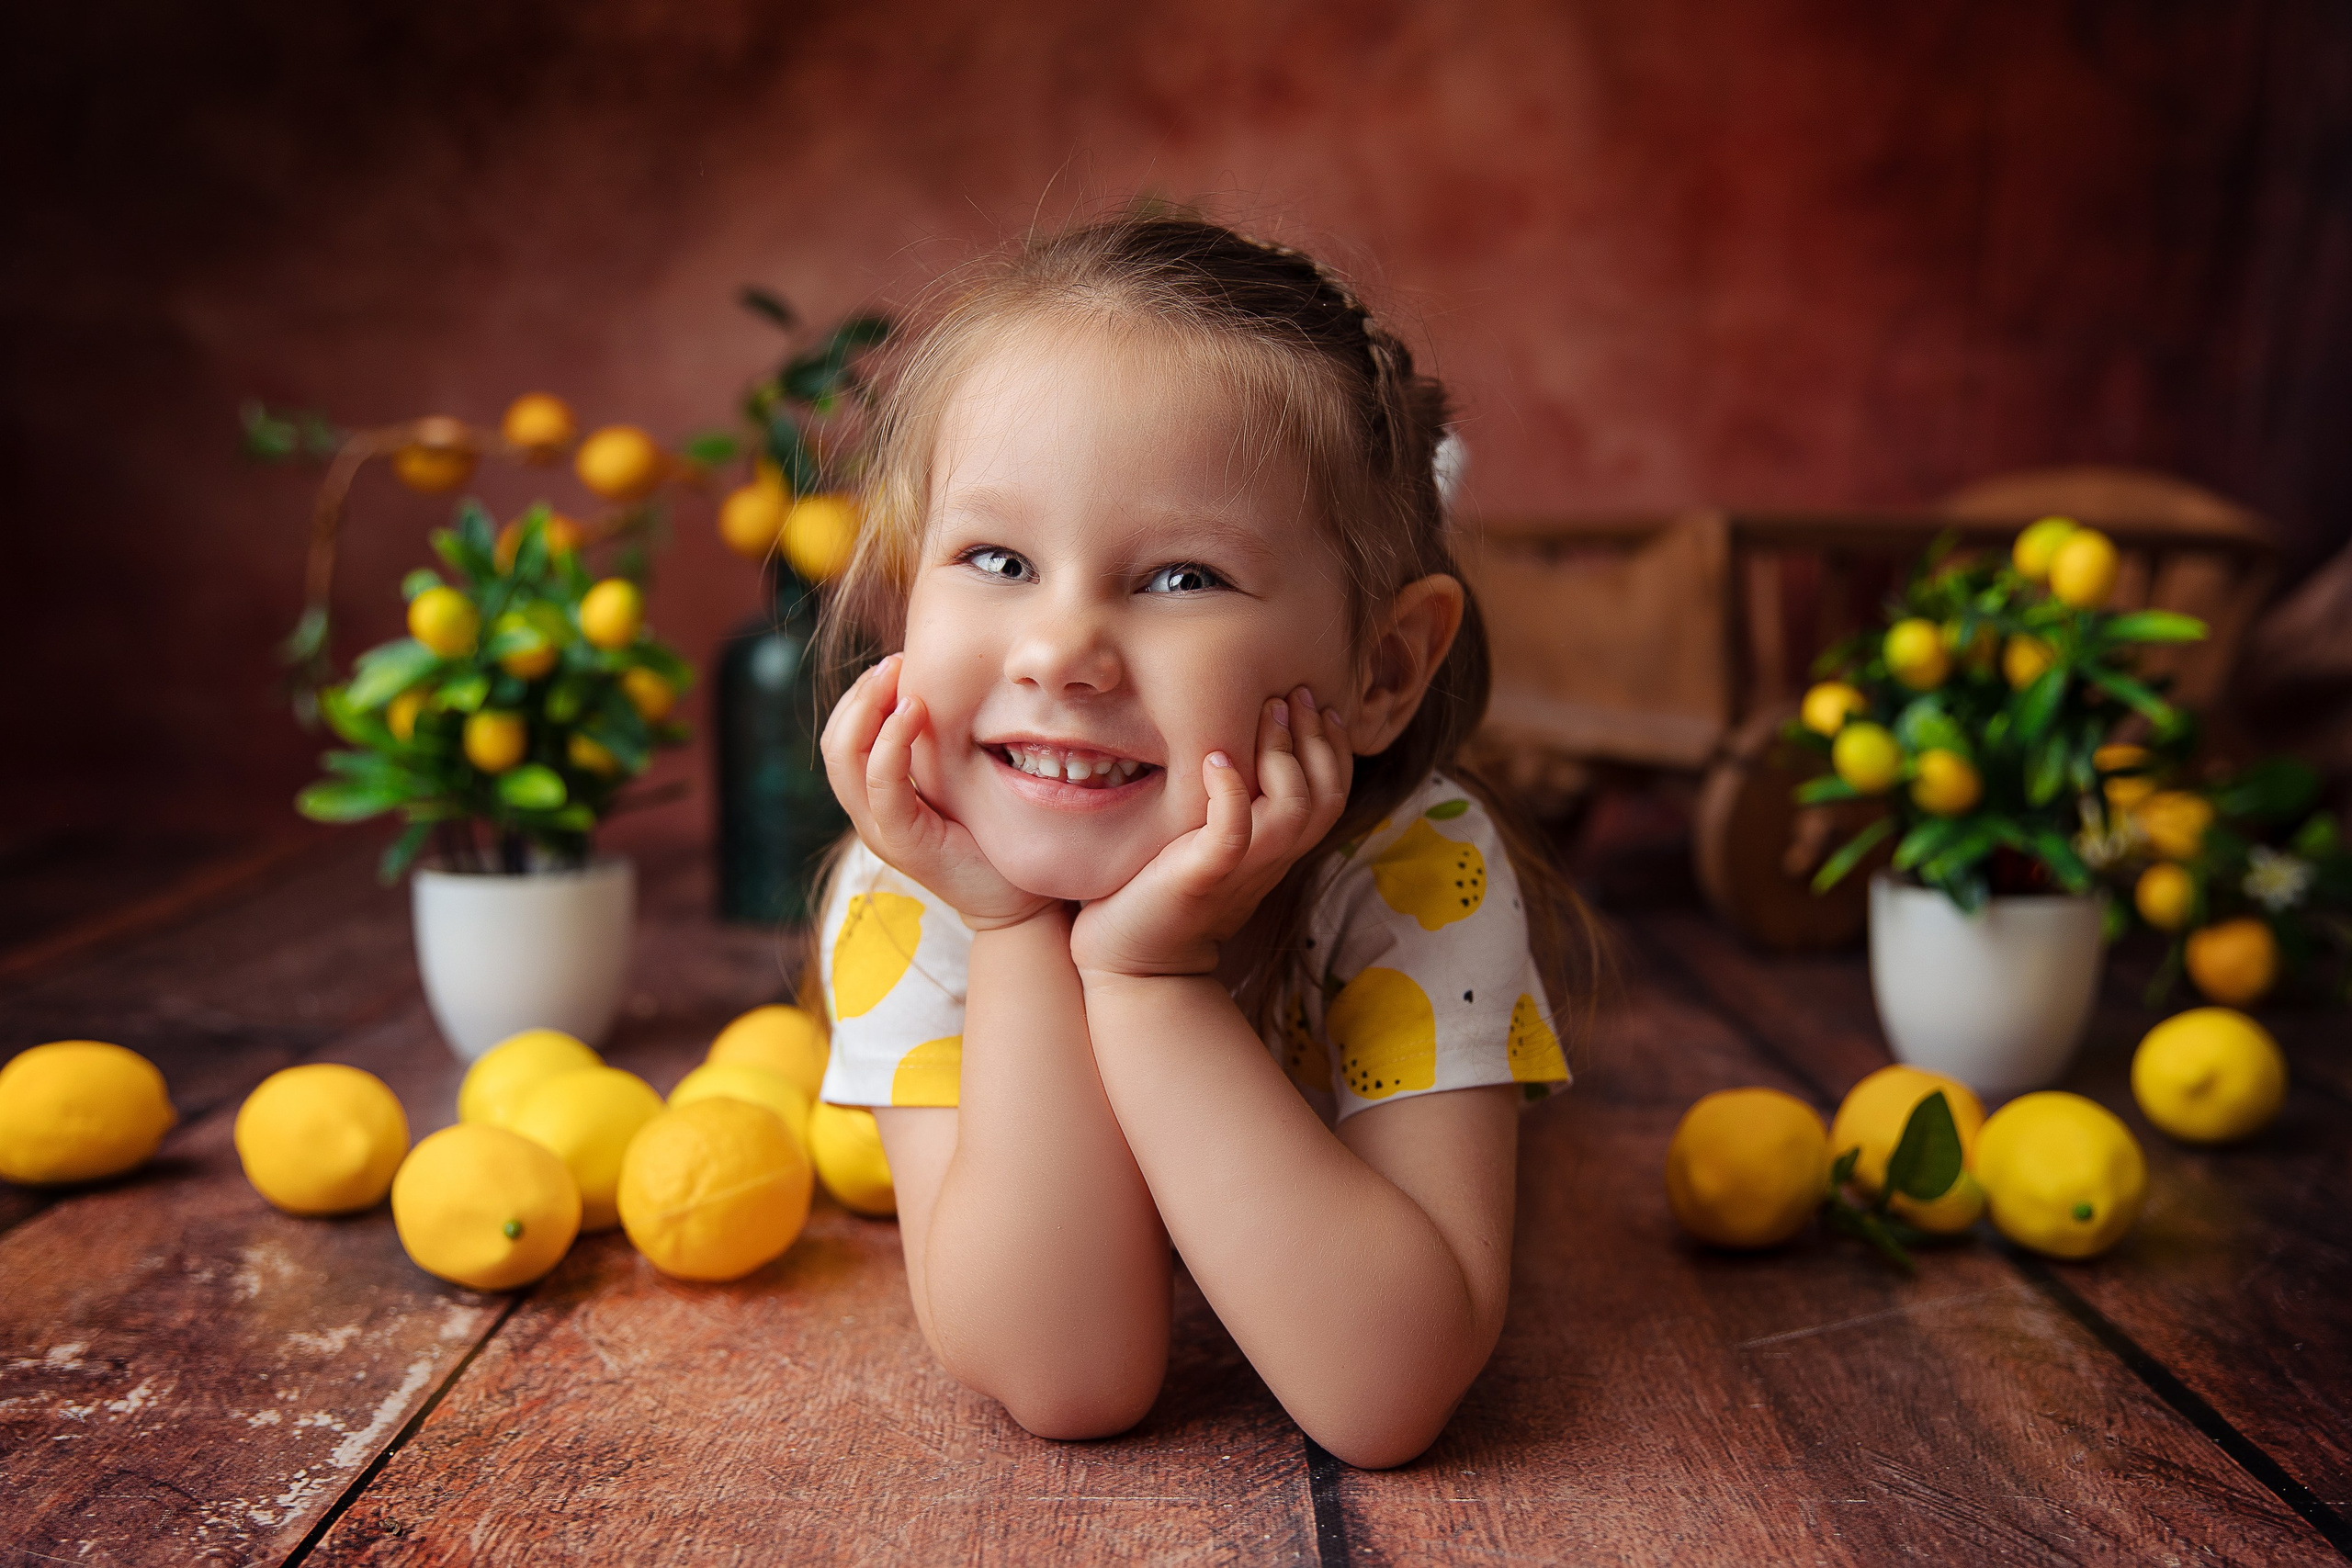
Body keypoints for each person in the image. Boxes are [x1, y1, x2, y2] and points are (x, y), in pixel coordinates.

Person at [812, 213, 1592, 1470]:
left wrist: (1147, 980)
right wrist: (1017, 936)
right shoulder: (914, 887)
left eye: (1181, 578)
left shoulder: (1409, 872)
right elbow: (1067, 1377)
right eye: (997, 557)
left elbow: (1385, 1393)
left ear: (1383, 667)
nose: (1057, 652)